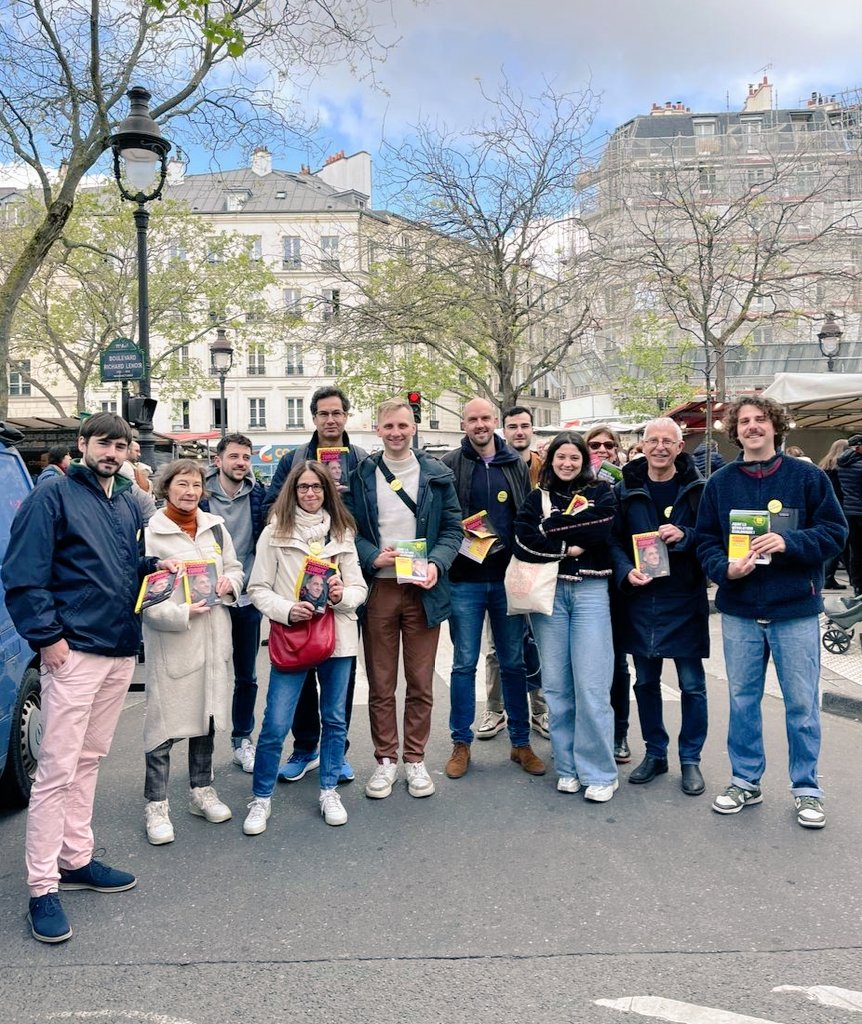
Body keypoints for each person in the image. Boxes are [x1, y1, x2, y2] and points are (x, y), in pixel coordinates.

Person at [1, 413, 177, 944]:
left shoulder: (123, 501)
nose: (114, 451)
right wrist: (47, 640)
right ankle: (41, 886)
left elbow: (116, 568)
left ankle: (75, 858)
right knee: (55, 770)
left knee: (88, 760)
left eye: (121, 445)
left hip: (119, 649)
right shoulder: (51, 496)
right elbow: (22, 574)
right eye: (104, 442)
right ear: (82, 445)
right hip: (73, 653)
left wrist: (153, 571)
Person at [696, 396, 847, 829]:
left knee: (802, 706)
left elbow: (835, 532)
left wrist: (789, 543)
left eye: (760, 419)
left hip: (794, 610)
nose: (752, 427)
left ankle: (806, 789)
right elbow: (705, 540)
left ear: (775, 426)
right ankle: (745, 780)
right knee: (743, 702)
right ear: (734, 430)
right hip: (741, 611)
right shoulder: (720, 483)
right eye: (743, 421)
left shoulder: (807, 477)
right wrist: (724, 568)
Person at [346, 398, 462, 800]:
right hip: (380, 587)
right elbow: (349, 529)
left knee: (420, 681)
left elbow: (452, 529)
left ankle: (415, 759)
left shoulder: (436, 473)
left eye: (403, 426)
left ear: (414, 427)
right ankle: (384, 761)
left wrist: (437, 564)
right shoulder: (362, 474)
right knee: (380, 682)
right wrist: (370, 555)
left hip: (422, 588)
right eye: (388, 426)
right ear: (377, 430)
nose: (396, 433)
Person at [244, 461, 367, 833]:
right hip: (293, 637)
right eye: (303, 488)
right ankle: (261, 797)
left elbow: (360, 589)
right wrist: (286, 610)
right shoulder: (274, 533)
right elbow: (257, 588)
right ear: (292, 491)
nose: (310, 494)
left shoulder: (343, 533)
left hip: (337, 637)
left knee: (334, 719)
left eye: (317, 487)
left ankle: (329, 789)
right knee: (275, 724)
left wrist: (342, 594)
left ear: (327, 491)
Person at [262, 386, 368, 784]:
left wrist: (342, 504)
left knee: (342, 668)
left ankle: (336, 753)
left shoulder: (359, 459)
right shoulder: (294, 460)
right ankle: (305, 746)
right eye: (323, 413)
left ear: (346, 416)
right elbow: (272, 505)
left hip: (342, 580)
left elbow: (369, 518)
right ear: (313, 418)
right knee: (301, 671)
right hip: (296, 589)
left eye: (337, 413)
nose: (330, 420)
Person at [441, 397, 545, 779]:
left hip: (506, 580)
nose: (480, 425)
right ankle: (460, 743)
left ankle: (521, 743)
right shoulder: (450, 463)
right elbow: (443, 517)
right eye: (473, 419)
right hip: (465, 582)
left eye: (485, 418)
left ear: (495, 421)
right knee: (463, 664)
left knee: (514, 663)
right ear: (464, 424)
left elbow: (526, 514)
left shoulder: (515, 463)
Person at [141, 460, 244, 845]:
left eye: (197, 485)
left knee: (208, 717)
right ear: (166, 487)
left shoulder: (215, 526)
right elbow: (146, 599)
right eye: (182, 484)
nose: (190, 491)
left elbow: (234, 567)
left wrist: (228, 585)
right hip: (175, 640)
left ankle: (201, 790)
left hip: (214, 635)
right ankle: (157, 804)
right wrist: (182, 612)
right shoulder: (151, 533)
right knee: (163, 726)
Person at [513, 431, 618, 801]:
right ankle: (568, 766)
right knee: (557, 686)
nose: (568, 463)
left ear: (584, 460)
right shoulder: (535, 498)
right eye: (561, 457)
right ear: (551, 460)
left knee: (591, 686)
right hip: (550, 595)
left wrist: (550, 529)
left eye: (575, 457)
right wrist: (565, 546)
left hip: (591, 593)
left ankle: (600, 772)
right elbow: (523, 540)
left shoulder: (602, 492)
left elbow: (601, 527)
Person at [610, 417, 709, 796]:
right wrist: (624, 572)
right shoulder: (625, 488)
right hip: (641, 597)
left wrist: (687, 534)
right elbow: (614, 542)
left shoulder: (698, 489)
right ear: (643, 445)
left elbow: (714, 537)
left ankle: (690, 759)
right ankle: (656, 753)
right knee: (646, 682)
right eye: (653, 440)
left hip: (684, 597)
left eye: (668, 441)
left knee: (692, 686)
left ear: (680, 447)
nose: (660, 447)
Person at [478, 405, 549, 742]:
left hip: (535, 567)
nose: (519, 431)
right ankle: (495, 710)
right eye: (512, 426)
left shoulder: (547, 467)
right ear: (502, 429)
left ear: (532, 429)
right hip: (497, 568)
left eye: (524, 426)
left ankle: (540, 710)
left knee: (536, 642)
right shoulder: (497, 464)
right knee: (496, 647)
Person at [201, 433, 267, 773]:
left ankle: (242, 740)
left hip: (247, 597)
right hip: (209, 598)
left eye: (246, 457)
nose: (241, 463)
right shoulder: (200, 493)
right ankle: (204, 750)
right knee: (210, 674)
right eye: (235, 457)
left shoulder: (258, 494)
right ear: (218, 460)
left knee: (247, 674)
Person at [585, 425, 633, 765]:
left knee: (617, 664)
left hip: (616, 585)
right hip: (583, 581)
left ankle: (619, 733)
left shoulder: (627, 484)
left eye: (608, 445)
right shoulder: (575, 484)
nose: (602, 450)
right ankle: (586, 732)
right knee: (585, 665)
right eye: (595, 445)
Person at [819, 438, 849, 590]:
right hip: (845, 507)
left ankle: (828, 577)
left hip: (830, 506)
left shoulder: (824, 467)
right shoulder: (845, 467)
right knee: (842, 546)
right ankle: (829, 577)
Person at [836, 434, 862, 596]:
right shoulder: (859, 464)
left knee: (855, 551)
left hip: (849, 511)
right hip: (860, 511)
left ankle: (857, 584)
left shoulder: (842, 464)